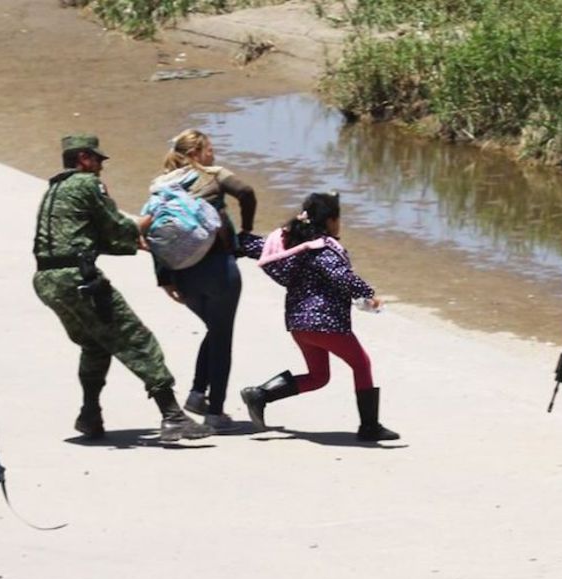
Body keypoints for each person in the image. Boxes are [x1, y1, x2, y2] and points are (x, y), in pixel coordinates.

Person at [32, 134, 212, 442]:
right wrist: (157, 216)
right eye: (98, 160)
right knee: (137, 340)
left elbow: (93, 238)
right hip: (79, 280)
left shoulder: (54, 190)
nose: (101, 167)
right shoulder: (88, 184)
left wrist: (131, 242)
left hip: (47, 281)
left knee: (95, 345)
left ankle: (89, 414)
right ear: (84, 159)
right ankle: (172, 416)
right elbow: (117, 226)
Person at [239, 192, 399, 442]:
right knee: (361, 364)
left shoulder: (293, 243)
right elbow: (340, 276)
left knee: (318, 376)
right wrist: (368, 294)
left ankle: (260, 395)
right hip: (324, 323)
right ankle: (370, 426)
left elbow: (257, 247)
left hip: (298, 324)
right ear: (331, 220)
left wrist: (234, 243)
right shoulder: (322, 249)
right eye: (338, 219)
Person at [153, 129, 258, 431]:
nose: (213, 154)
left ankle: (198, 394)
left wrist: (165, 279)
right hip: (218, 269)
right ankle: (215, 411)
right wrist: (246, 231)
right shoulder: (213, 175)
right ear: (197, 152)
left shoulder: (162, 185)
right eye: (209, 149)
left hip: (182, 275)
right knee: (222, 337)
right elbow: (247, 192)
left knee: (215, 328)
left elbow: (158, 232)